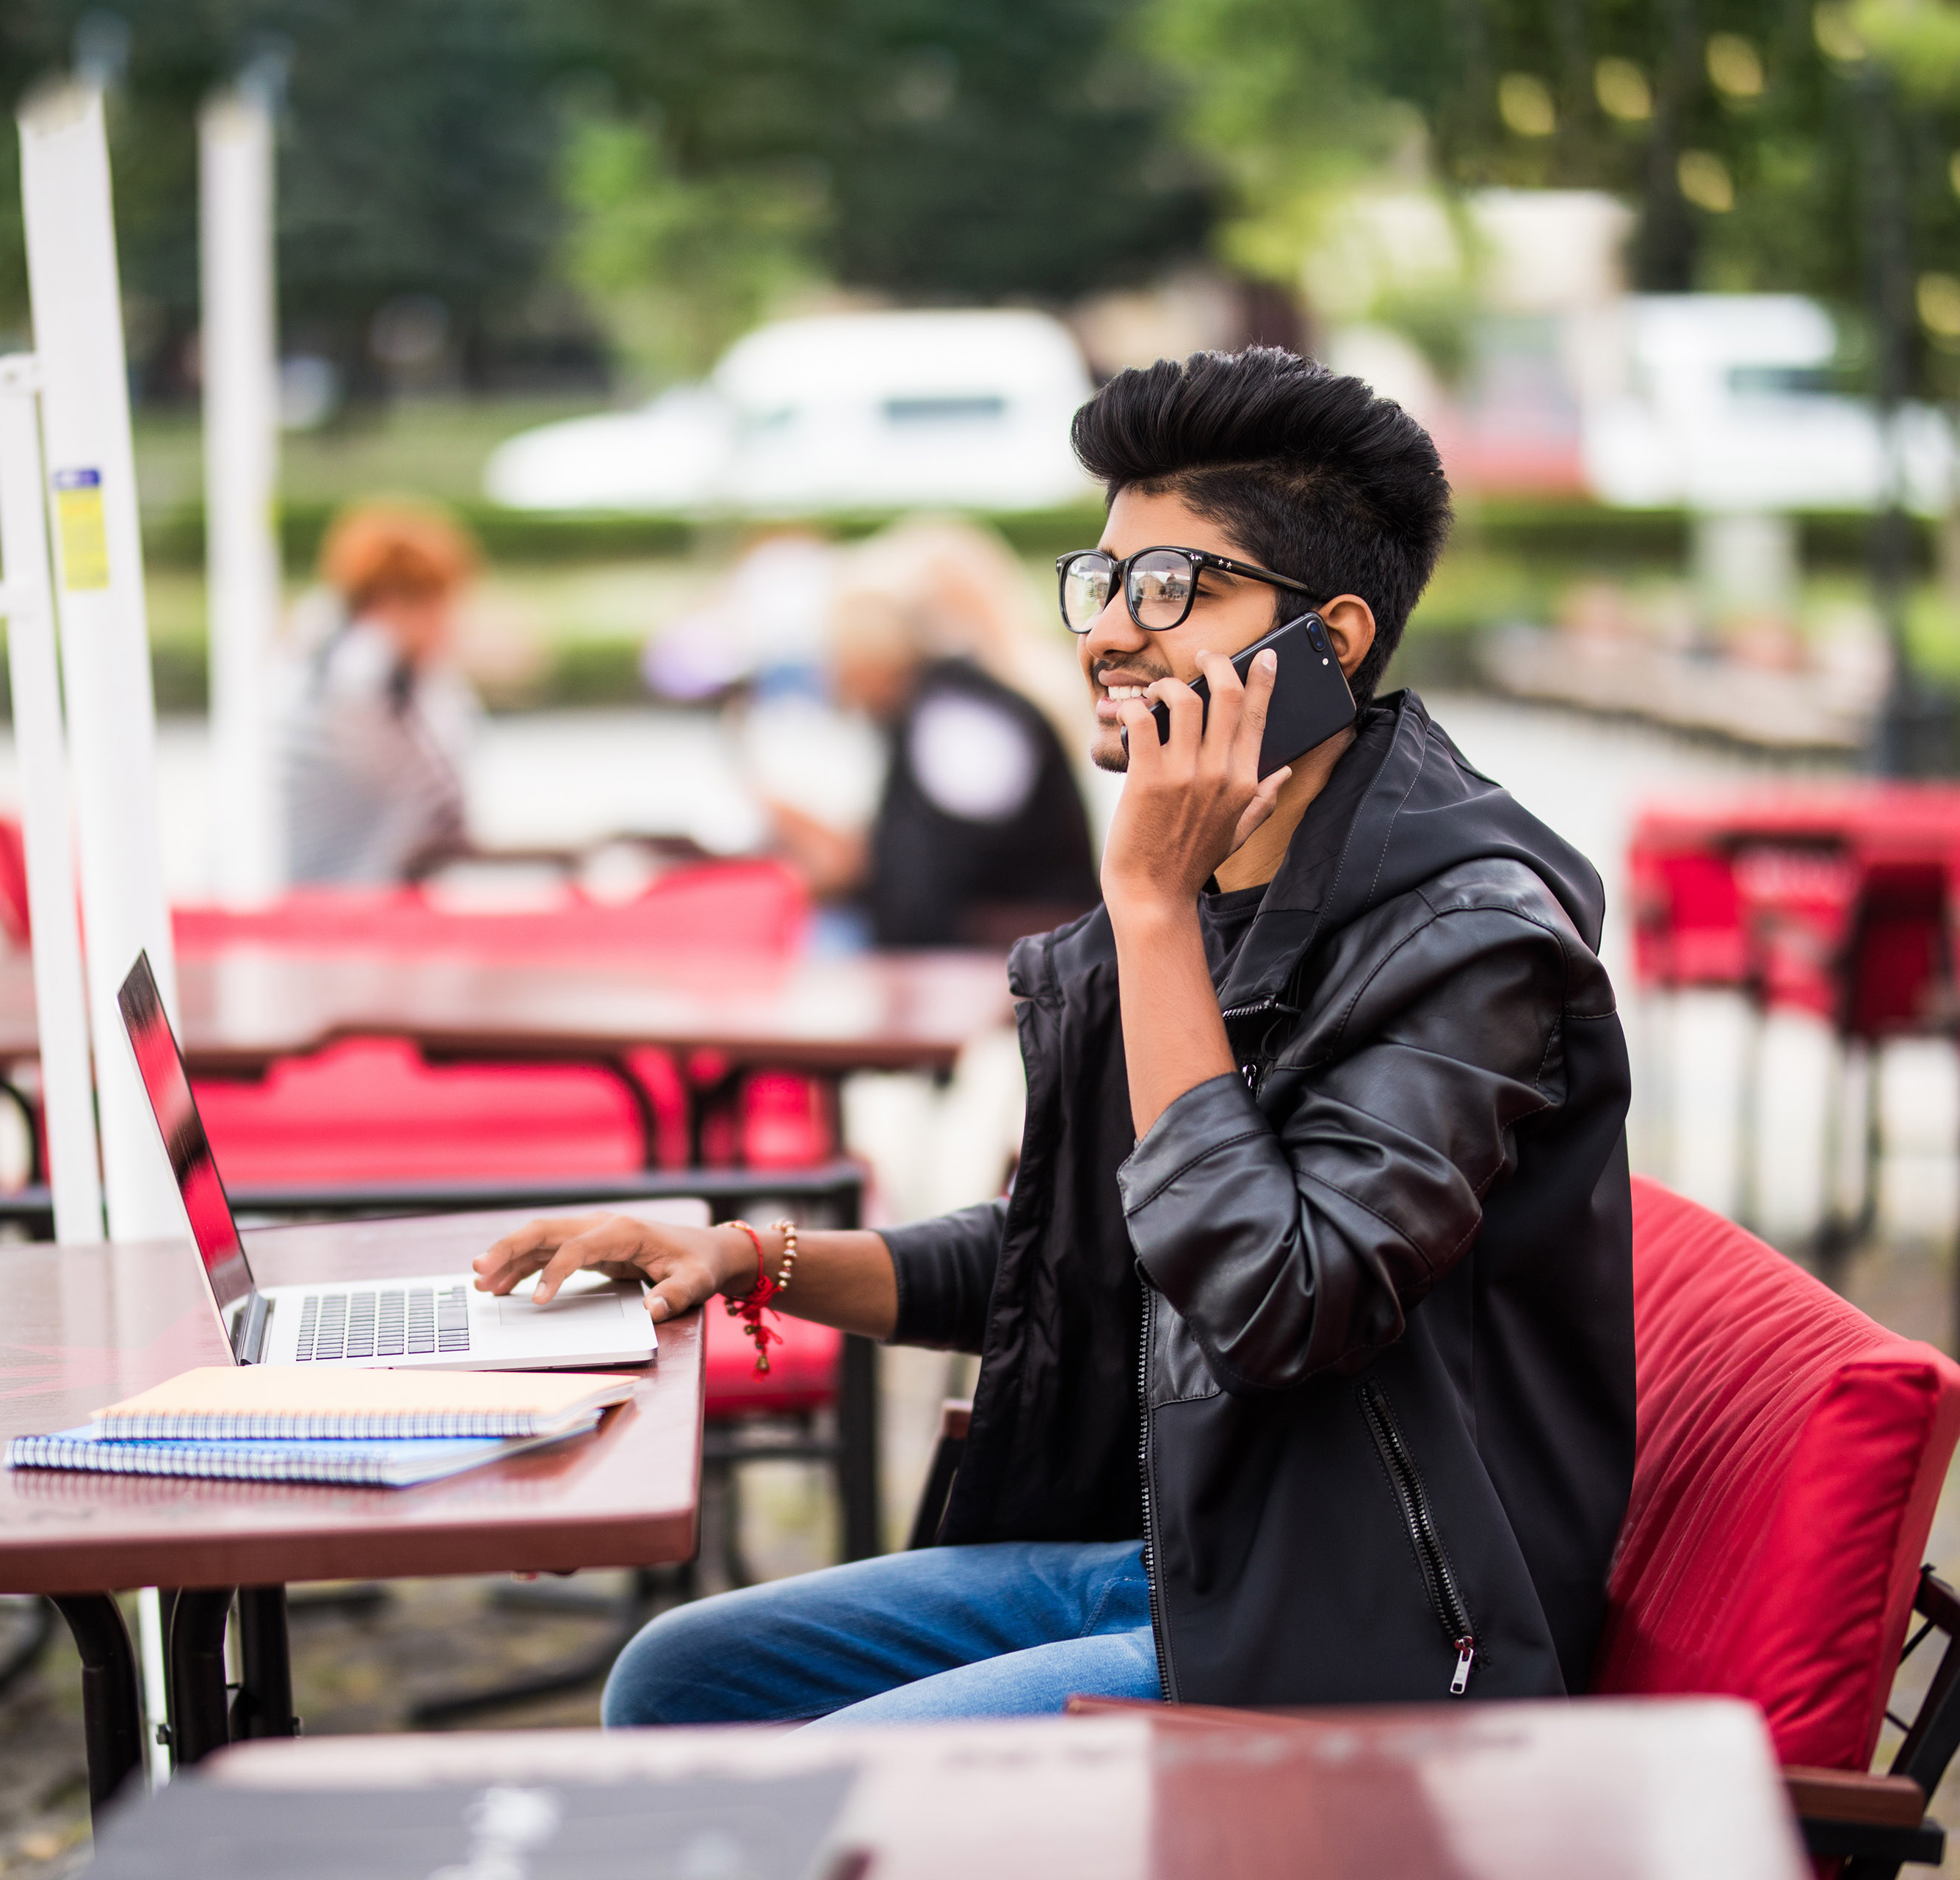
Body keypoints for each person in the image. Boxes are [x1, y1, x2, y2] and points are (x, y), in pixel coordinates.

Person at [478, 347, 1633, 1721]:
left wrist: (1143, 906)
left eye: (1171, 590)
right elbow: (1079, 1249)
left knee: (832, 1787)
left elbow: (1276, 1302)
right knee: (679, 1680)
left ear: (1326, 644)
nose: (1106, 634)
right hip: (1194, 1561)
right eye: (1102, 583)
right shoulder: (1221, 888)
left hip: (1372, 1630)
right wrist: (746, 1255)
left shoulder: (1475, 942)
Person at [766, 582, 1100, 948]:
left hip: (1019, 959)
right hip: (991, 954)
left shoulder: (957, 716)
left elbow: (938, 869)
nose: (830, 677)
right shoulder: (925, 714)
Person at [282, 500, 483, 886]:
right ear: (398, 605)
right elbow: (442, 806)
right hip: (333, 896)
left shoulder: (319, 659)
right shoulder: (366, 680)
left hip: (320, 887)